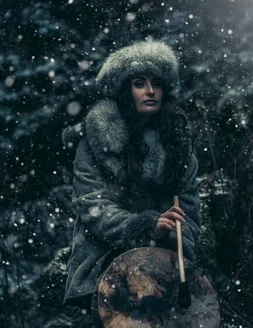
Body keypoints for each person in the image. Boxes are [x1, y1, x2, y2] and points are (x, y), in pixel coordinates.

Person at [61, 41, 201, 307]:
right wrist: (145, 226)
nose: (151, 91)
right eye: (139, 83)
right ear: (125, 91)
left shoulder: (178, 147)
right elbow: (92, 205)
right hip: (103, 258)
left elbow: (190, 214)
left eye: (156, 83)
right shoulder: (94, 141)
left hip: (165, 262)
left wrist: (172, 233)